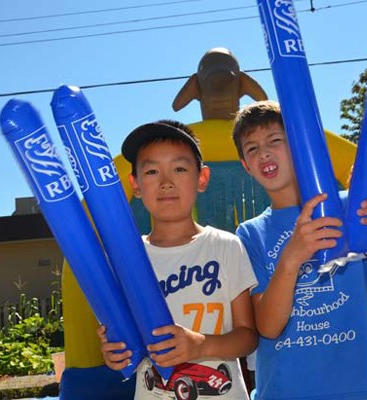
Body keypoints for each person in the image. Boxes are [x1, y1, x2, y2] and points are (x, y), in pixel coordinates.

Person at [232, 100, 367, 400]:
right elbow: (269, 328)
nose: (264, 153)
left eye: (275, 140)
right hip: (284, 392)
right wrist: (292, 257)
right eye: (252, 148)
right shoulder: (250, 233)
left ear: (300, 145)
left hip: (363, 390)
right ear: (246, 166)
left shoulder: (353, 208)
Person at [98, 119, 258, 400]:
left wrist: (201, 346)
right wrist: (115, 353)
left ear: (202, 178)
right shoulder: (124, 260)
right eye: (151, 171)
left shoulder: (226, 246)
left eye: (180, 168)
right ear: (135, 184)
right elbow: (123, 344)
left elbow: (247, 337)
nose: (166, 182)